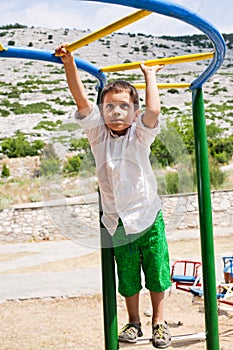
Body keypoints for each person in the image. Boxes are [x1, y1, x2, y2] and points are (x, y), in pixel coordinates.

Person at [55, 43, 171, 348]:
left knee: (157, 271)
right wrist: (70, 63)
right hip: (116, 220)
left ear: (133, 113)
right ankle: (134, 322)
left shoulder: (140, 134)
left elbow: (154, 110)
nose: (116, 111)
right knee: (129, 276)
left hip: (147, 215)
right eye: (109, 106)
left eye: (123, 106)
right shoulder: (98, 134)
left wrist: (150, 76)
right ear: (102, 111)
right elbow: (80, 97)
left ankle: (159, 321)